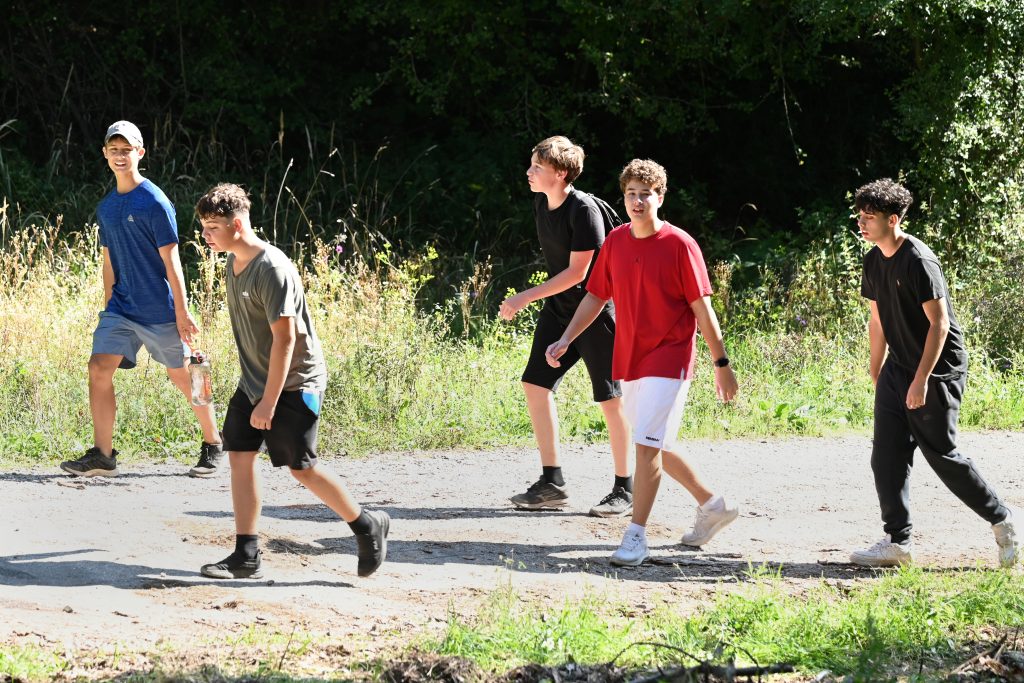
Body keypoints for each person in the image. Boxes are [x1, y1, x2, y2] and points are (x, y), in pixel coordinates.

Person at [546, 159, 740, 566]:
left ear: (660, 197)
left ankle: (636, 535)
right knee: (657, 444)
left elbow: (702, 309)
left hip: (670, 357)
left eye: (646, 194)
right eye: (631, 194)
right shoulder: (616, 241)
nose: (637, 201)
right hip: (630, 358)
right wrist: (566, 338)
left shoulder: (680, 245)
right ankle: (713, 505)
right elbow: (596, 296)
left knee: (646, 445)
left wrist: (721, 362)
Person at [194, 183, 389, 579]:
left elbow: (286, 340)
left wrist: (269, 402)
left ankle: (366, 524)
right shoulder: (233, 262)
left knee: (301, 467)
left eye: (212, 227)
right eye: (203, 227)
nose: (205, 235)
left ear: (237, 225)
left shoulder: (272, 268)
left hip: (296, 383)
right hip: (255, 382)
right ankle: (246, 555)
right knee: (240, 455)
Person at [850, 178, 1019, 568]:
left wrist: (921, 379)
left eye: (869, 216)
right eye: (860, 215)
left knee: (941, 454)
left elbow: (939, 324)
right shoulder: (873, 260)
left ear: (893, 220)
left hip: (938, 369)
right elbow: (877, 319)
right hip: (899, 367)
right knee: (886, 456)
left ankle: (1002, 519)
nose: (862, 222)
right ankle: (898, 543)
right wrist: (876, 368)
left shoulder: (919, 260)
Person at [60, 121, 224, 478]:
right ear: (105, 154)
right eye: (114, 150)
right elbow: (108, 260)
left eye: (127, 150)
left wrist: (182, 311)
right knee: (98, 368)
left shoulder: (154, 201)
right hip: (120, 308)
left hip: (159, 309)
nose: (120, 156)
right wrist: (109, 307)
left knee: (187, 375)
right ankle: (103, 456)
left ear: (140, 152)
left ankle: (214, 442)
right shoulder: (107, 207)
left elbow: (172, 260)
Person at [499, 136, 633, 517]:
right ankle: (552, 483)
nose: (529, 172)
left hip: (595, 313)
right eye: (531, 165)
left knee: (610, 400)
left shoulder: (584, 211)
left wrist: (525, 296)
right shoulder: (542, 203)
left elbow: (578, 274)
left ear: (560, 174)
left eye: (537, 167)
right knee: (535, 384)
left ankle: (625, 489)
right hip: (560, 311)